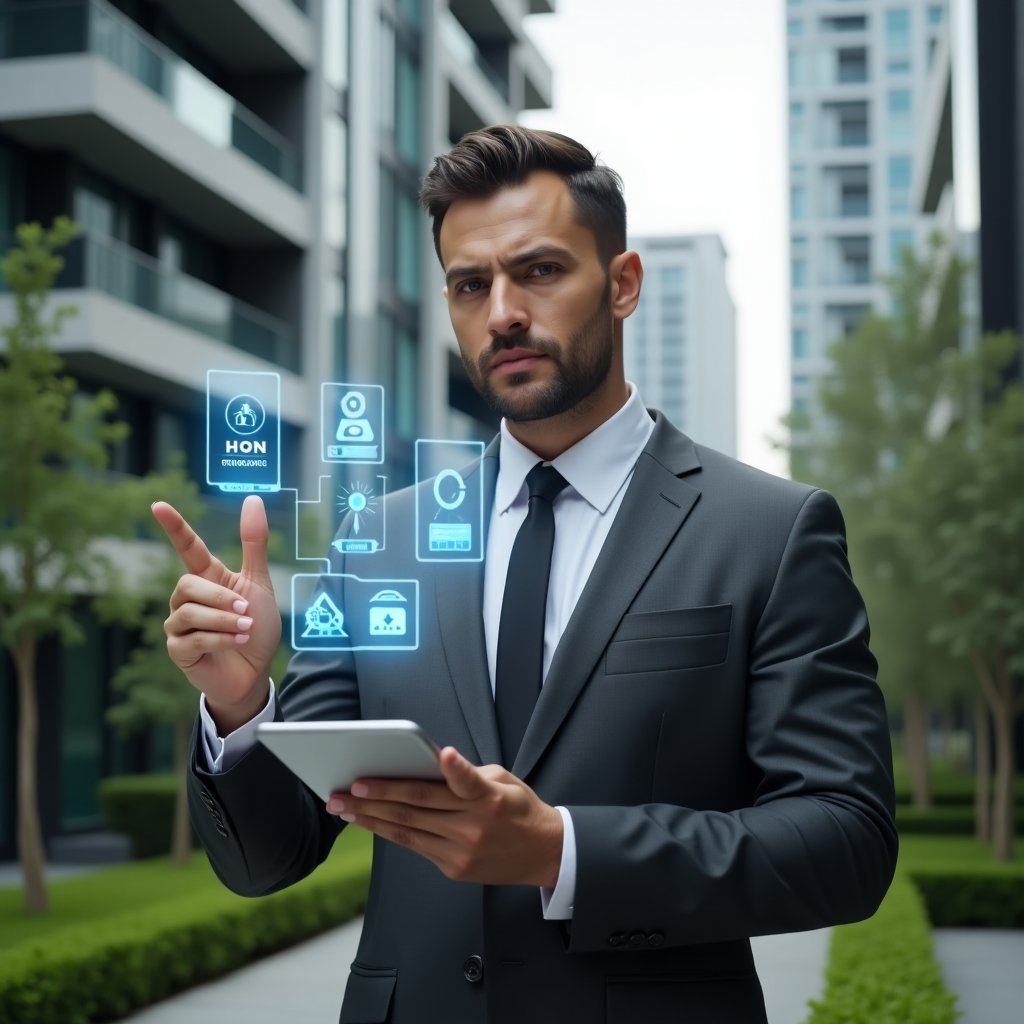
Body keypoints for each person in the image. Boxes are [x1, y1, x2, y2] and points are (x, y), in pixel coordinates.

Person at [153, 125, 897, 1024]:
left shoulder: (769, 532)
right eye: (471, 285)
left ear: (622, 284)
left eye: (539, 271)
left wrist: (561, 851)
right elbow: (267, 859)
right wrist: (240, 706)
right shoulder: (379, 541)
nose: (503, 312)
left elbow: (847, 841)